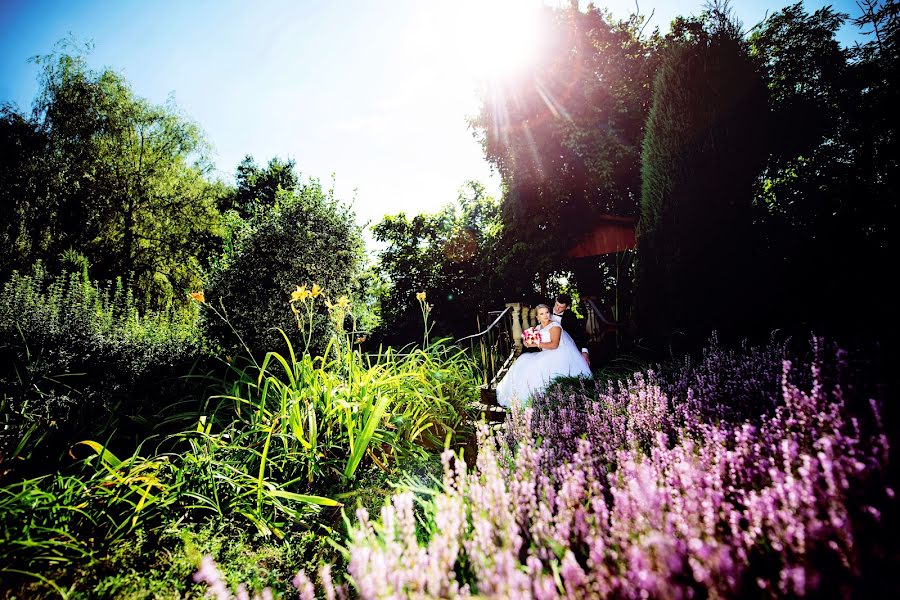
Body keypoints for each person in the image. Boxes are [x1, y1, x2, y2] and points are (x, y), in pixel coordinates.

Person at [497, 304, 592, 408]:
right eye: (542, 314)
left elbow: (554, 345)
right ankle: (522, 397)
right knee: (523, 362)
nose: (545, 315)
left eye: (547, 312)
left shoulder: (555, 326)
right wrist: (526, 341)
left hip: (559, 353)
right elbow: (530, 338)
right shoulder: (538, 328)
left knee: (540, 367)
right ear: (537, 317)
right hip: (546, 353)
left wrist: (536, 344)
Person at [552, 293, 590, 367]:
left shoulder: (570, 316)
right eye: (556, 304)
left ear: (567, 307)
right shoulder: (546, 310)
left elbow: (579, 333)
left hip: (563, 346)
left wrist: (585, 351)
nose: (557, 308)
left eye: (561, 307)